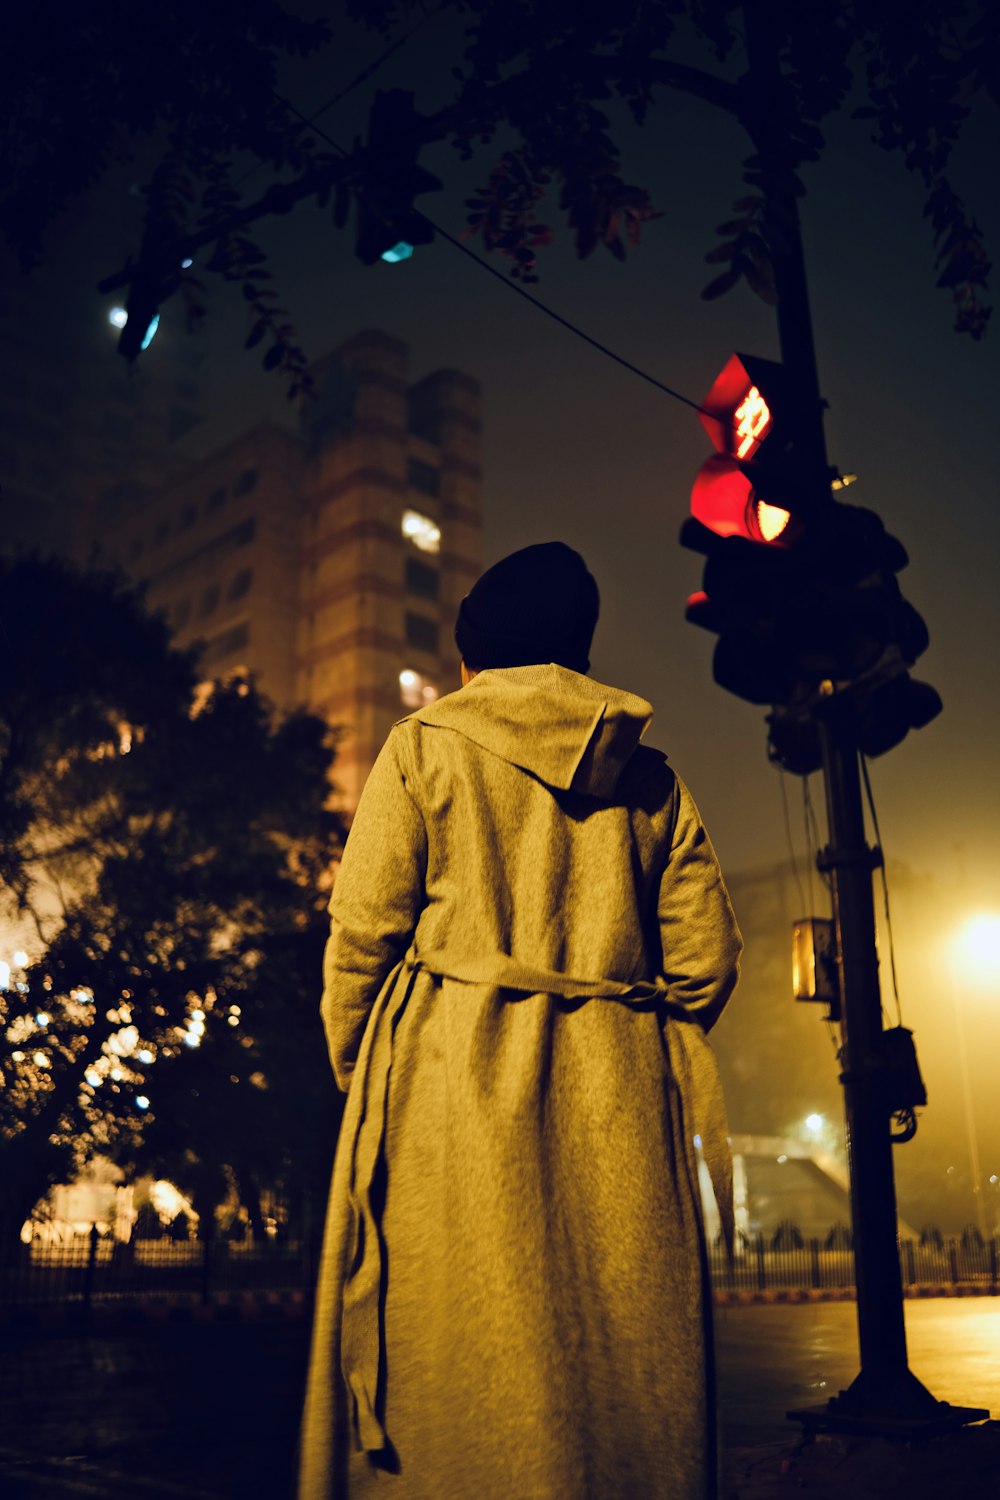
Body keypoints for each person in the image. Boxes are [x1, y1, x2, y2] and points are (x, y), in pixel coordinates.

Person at [299, 542, 742, 1500]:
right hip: (619, 1090)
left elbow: (360, 938)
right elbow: (705, 963)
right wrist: (621, 1020)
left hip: (446, 1084)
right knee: (620, 1367)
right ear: (576, 652)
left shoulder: (424, 745)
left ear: (471, 657)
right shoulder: (650, 776)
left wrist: (363, 1072)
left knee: (454, 1376)